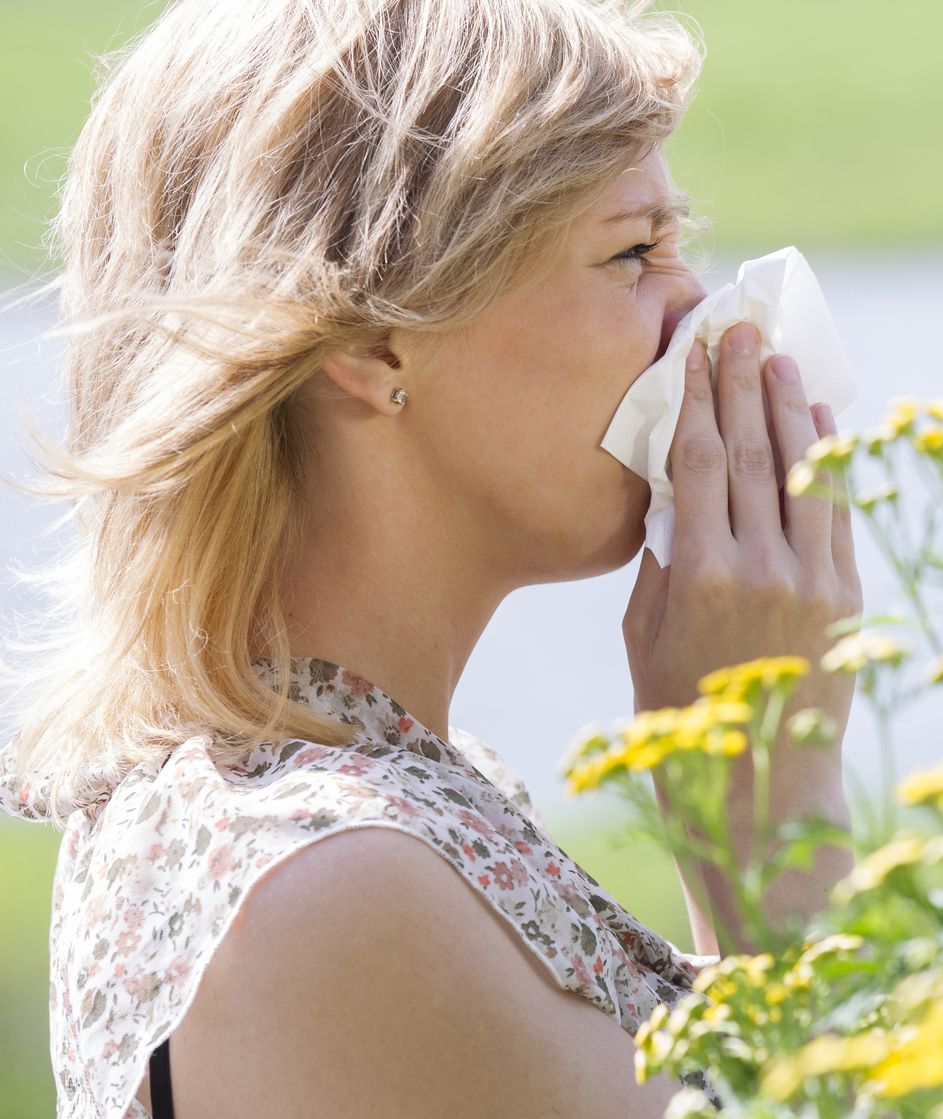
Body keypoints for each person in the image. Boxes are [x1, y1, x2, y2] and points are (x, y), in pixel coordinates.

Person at [0, 0, 862, 1115]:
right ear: (368, 338)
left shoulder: (365, 806)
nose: (694, 306)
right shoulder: (337, 882)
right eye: (632, 251)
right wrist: (766, 798)